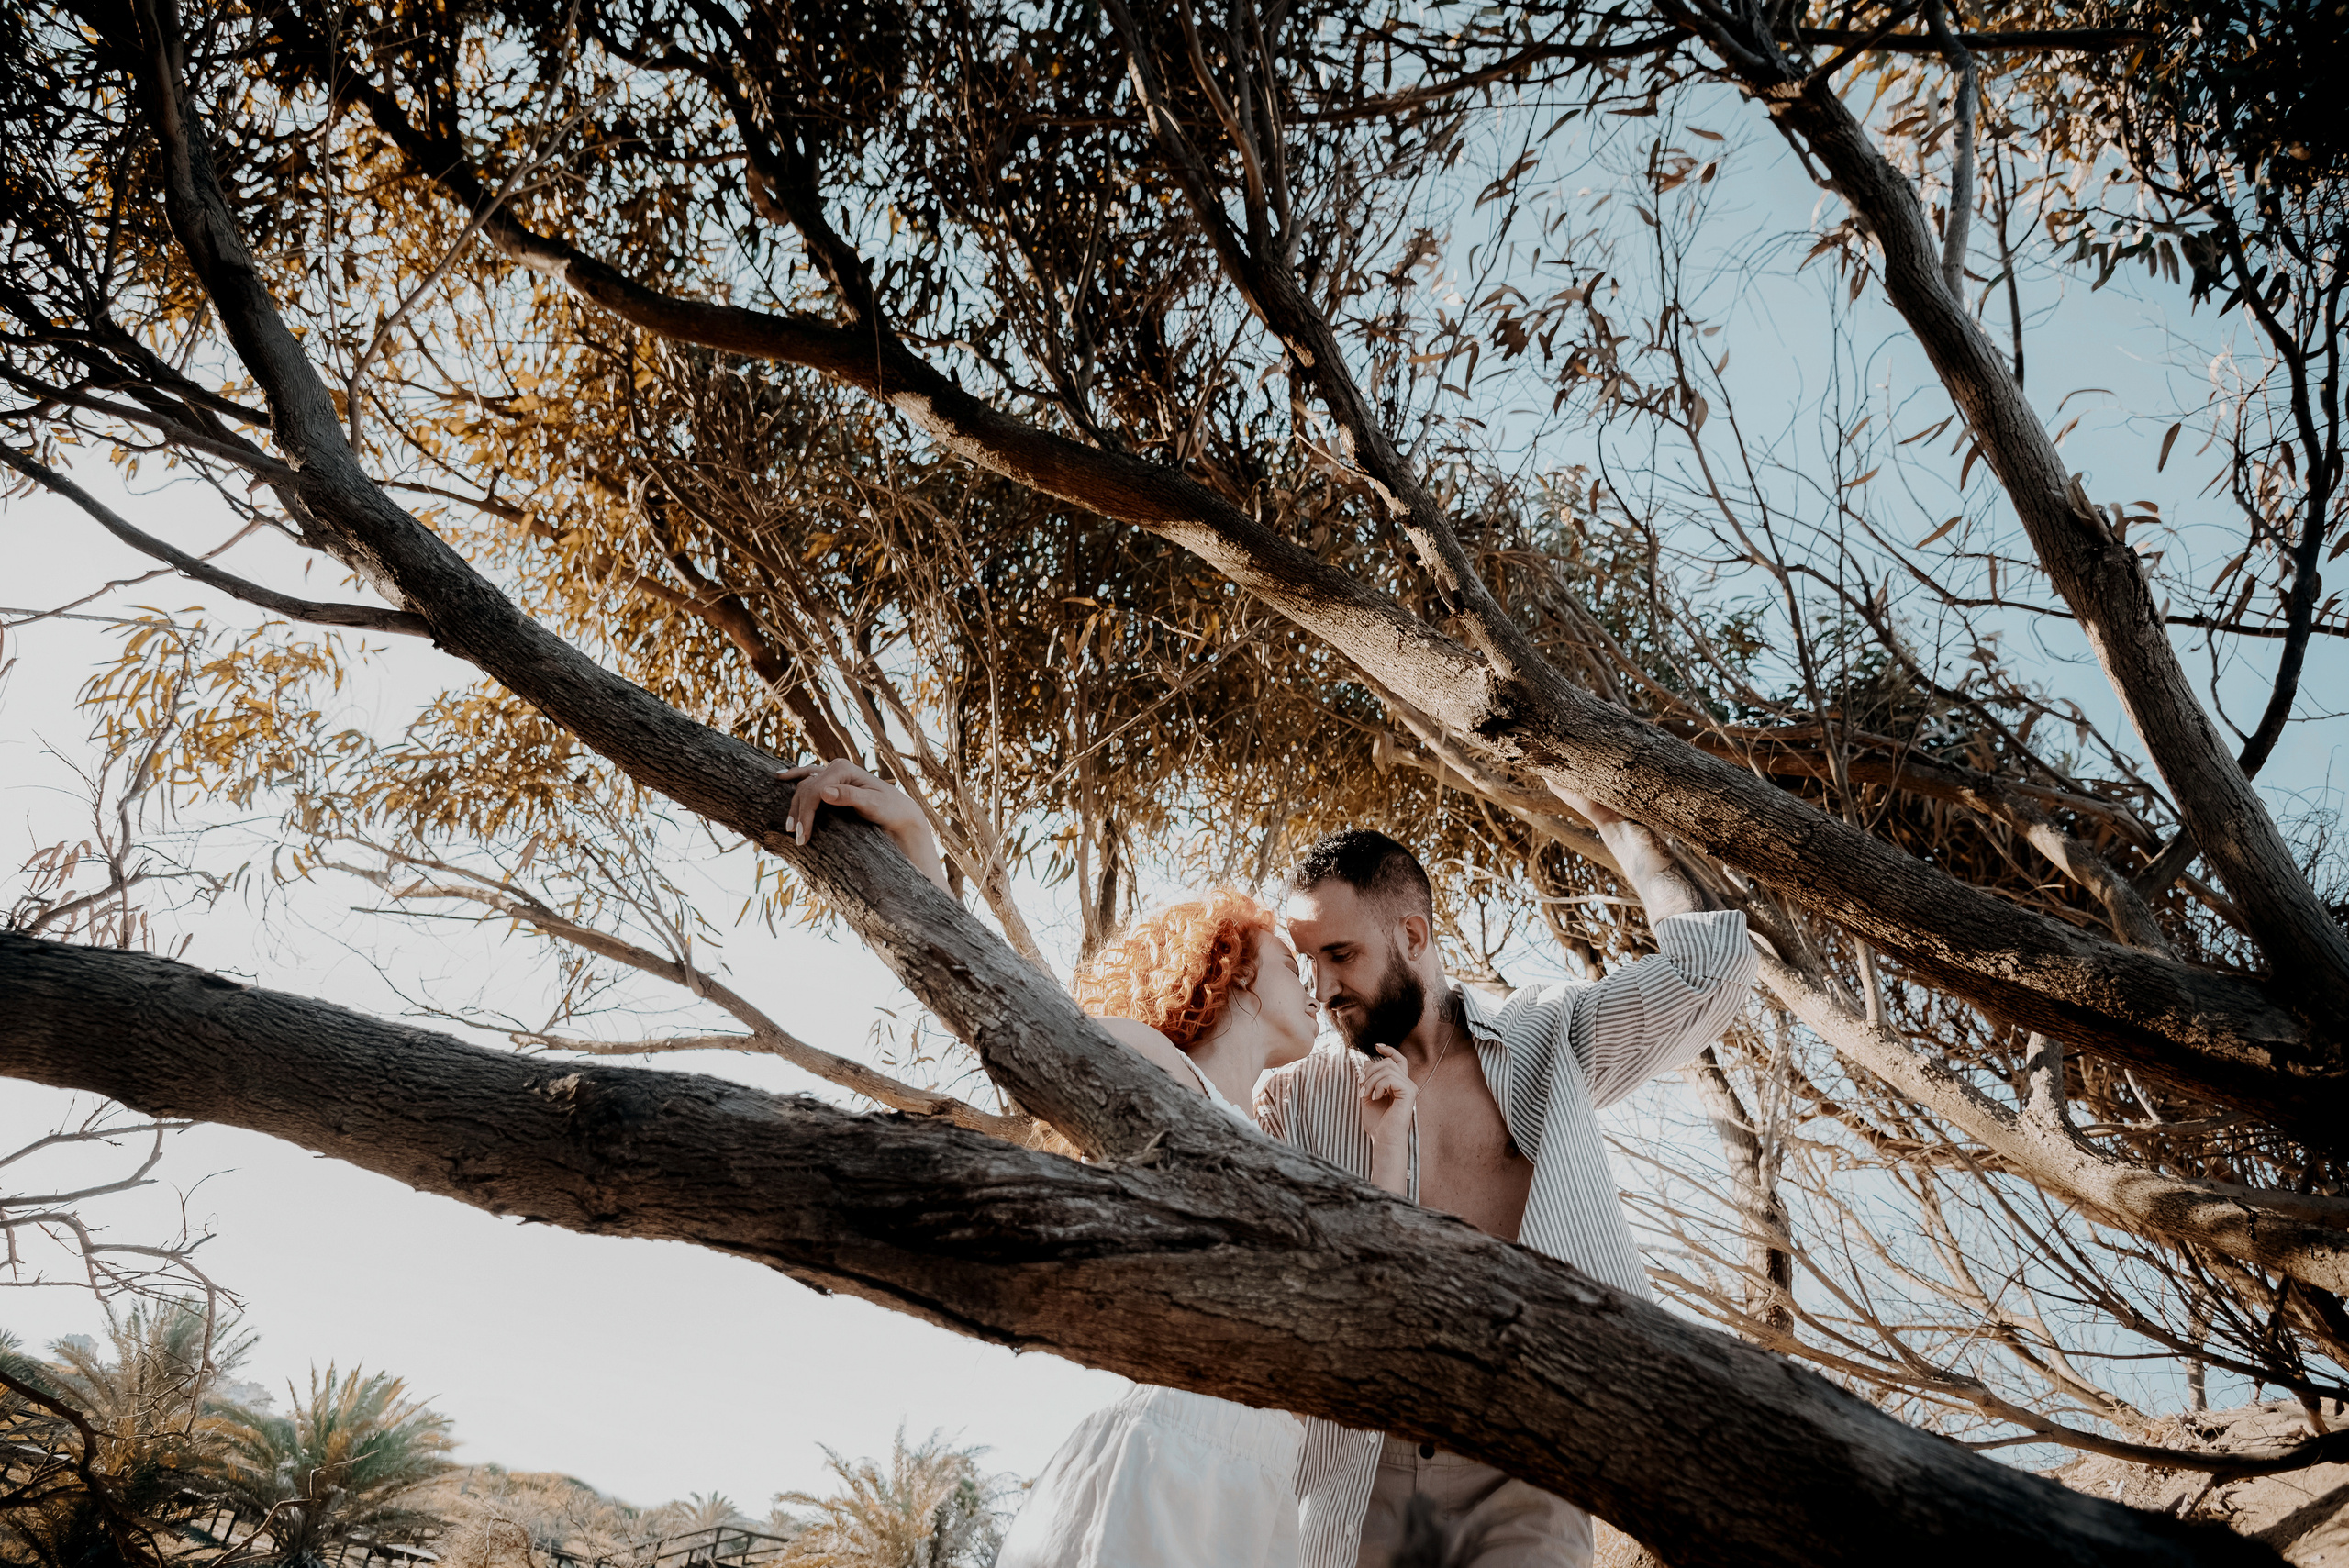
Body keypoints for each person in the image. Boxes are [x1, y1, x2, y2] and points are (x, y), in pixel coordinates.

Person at [780, 759, 1342, 1568]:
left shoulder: (1273, 1138)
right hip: (1174, 1456)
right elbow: (1008, 1011)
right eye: (1291, 962)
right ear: (1237, 965)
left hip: (1261, 1481)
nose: (1314, 986)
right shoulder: (1159, 1066)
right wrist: (919, 845)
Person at [1263, 805, 1758, 1568]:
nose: (1323, 987)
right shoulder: (1295, 1098)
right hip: (1361, 1474)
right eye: (1308, 962)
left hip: (1527, 1461)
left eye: (1340, 954)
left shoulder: (1547, 1036)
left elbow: (1710, 971)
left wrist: (1618, 822)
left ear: (1414, 936)